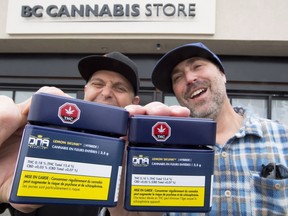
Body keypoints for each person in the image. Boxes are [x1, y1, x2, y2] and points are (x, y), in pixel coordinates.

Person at [0, 52, 169, 216]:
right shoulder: (44, 138)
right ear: (85, 90)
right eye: (98, 84)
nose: (106, 93)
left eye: (119, 88)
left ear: (135, 102)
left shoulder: (143, 160)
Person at [145, 42, 288, 215]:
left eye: (197, 66)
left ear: (223, 74)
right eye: (178, 78)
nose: (190, 79)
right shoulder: (167, 150)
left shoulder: (282, 137)